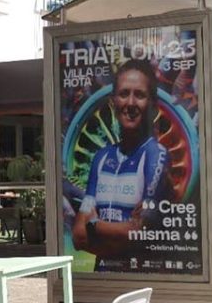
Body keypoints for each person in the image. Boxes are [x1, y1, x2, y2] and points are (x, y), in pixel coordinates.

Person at [72, 59, 173, 266]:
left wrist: (94, 224)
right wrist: (119, 232)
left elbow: (138, 234)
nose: (130, 103)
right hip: (102, 279)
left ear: (153, 104)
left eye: (140, 95)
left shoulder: (156, 156)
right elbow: (78, 237)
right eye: (124, 93)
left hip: (140, 278)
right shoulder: (101, 158)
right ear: (113, 101)